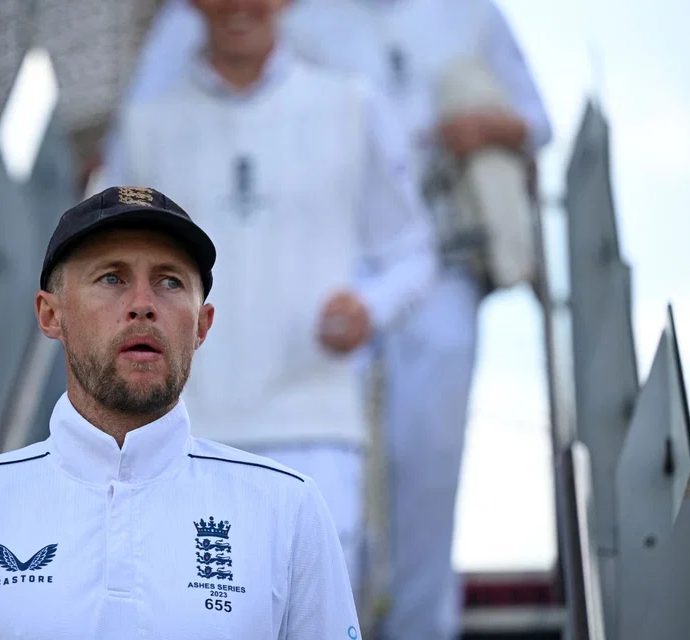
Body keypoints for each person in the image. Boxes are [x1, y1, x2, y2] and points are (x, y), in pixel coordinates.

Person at [113, 1, 552, 638]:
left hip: (426, 261)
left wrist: (487, 128)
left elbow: (533, 122)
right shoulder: (168, 103)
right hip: (278, 308)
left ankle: (418, 627)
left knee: (426, 463)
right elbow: (142, 142)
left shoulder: (460, 17)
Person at [0, 186, 362, 640]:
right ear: (50, 314)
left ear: (202, 325)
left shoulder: (288, 511)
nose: (142, 305)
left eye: (169, 282)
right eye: (111, 277)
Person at [94, 0, 438, 607]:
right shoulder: (147, 125)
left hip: (316, 429)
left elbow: (413, 252)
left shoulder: (353, 105)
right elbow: (101, 267)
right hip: (176, 431)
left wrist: (370, 309)